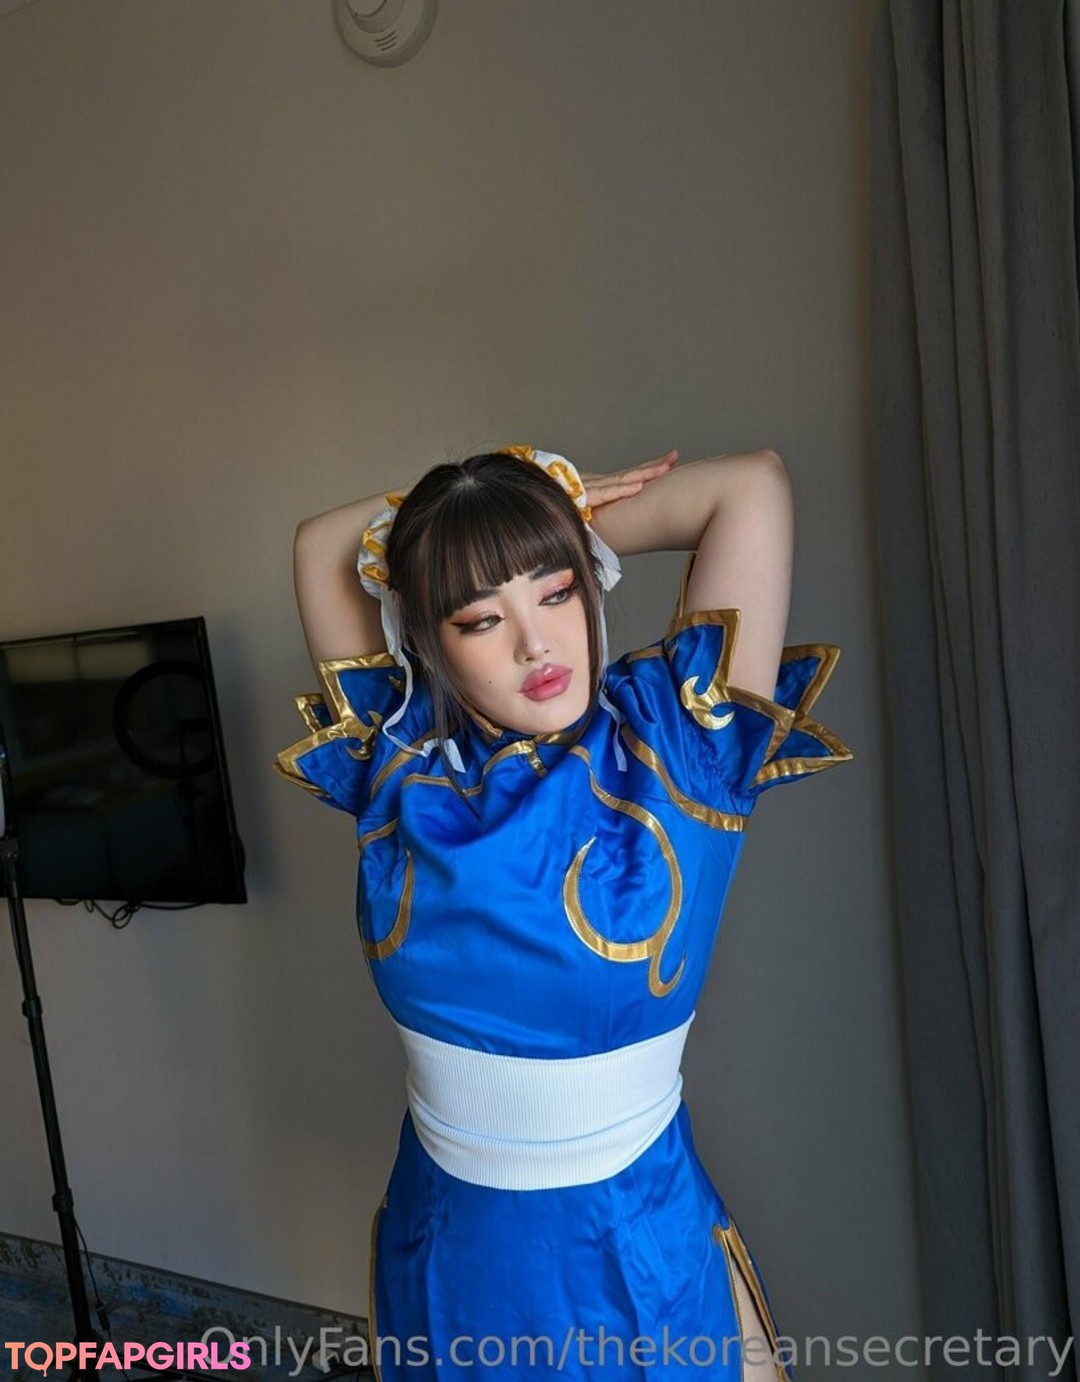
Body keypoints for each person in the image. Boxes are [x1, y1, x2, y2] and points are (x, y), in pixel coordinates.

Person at [275, 445, 854, 1381]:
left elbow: (749, 488)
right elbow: (319, 546)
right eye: (479, 618)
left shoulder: (679, 745)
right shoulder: (402, 761)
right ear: (426, 636)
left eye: (556, 591)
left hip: (633, 1253)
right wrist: (486, 509)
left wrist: (547, 502)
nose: (536, 643)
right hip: (448, 1249)